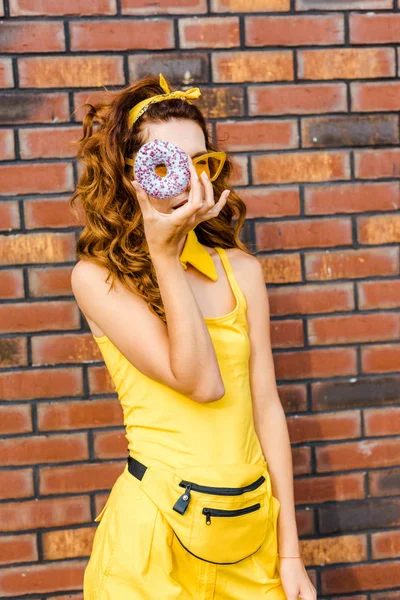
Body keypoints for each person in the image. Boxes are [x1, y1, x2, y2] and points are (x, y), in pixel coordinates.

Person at [69, 73, 317, 600]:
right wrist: (163, 252)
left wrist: (290, 553)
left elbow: (266, 408)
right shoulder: (98, 279)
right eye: (167, 162)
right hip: (154, 541)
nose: (188, 180)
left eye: (200, 162)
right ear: (133, 173)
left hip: (249, 535)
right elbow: (200, 382)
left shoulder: (240, 271)